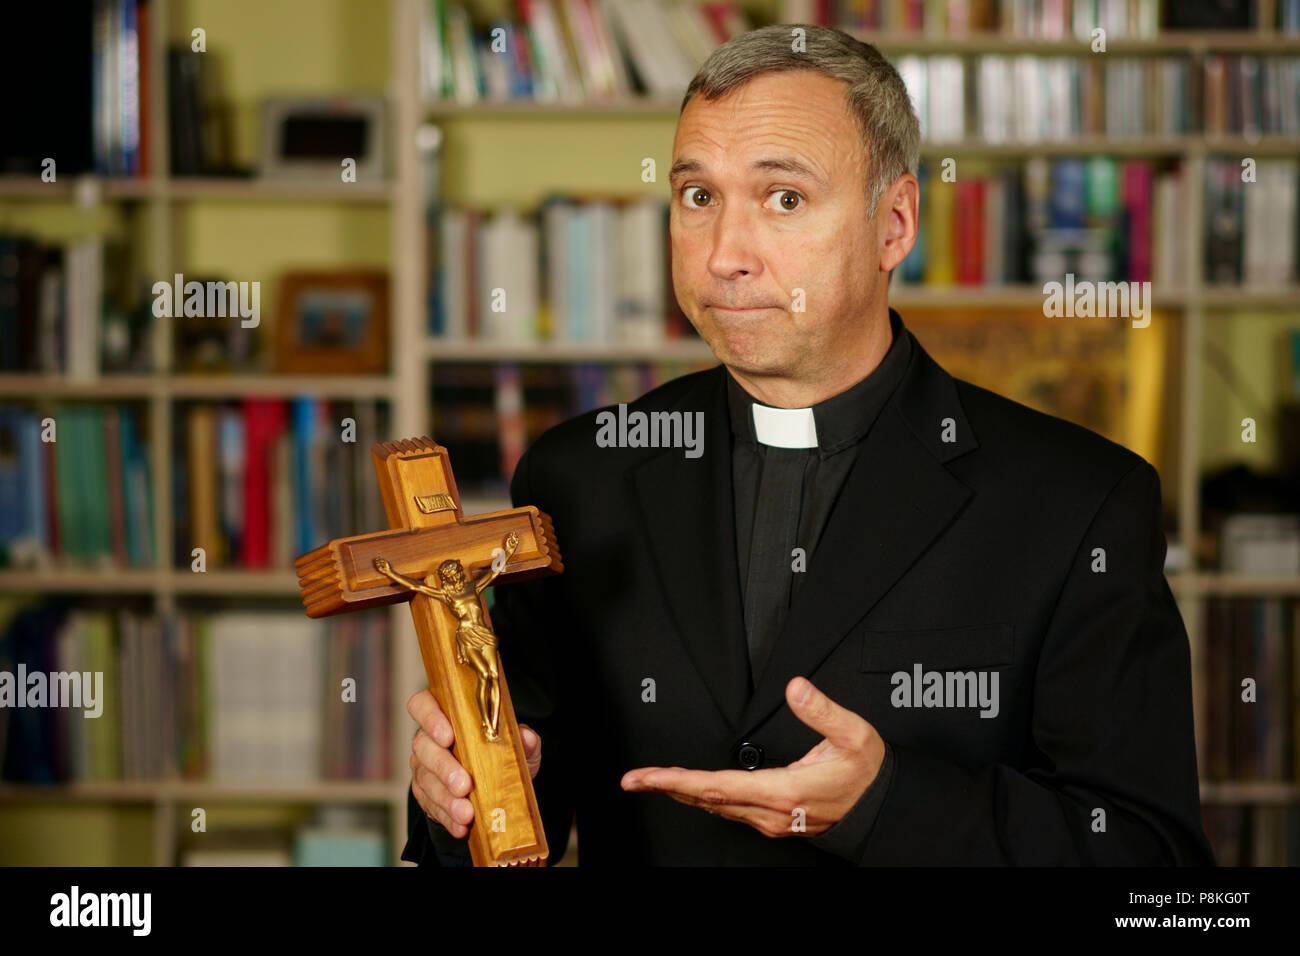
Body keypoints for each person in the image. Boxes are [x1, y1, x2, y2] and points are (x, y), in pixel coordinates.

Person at [400, 24, 1215, 866]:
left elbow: (1157, 868)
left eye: (784, 198)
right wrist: (456, 801)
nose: (723, 256)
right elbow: (509, 803)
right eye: (697, 197)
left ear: (894, 224)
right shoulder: (579, 476)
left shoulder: (1079, 502)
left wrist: (885, 804)